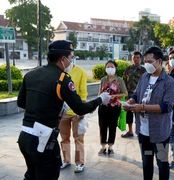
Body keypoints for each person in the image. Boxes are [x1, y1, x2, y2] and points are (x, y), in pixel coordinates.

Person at [17, 40, 111, 180]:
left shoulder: (31, 74)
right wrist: (100, 99)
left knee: (31, 175)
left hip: (25, 137)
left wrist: (48, 105)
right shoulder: (62, 79)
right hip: (43, 140)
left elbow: (21, 102)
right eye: (71, 57)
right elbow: (80, 108)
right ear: (63, 59)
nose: (71, 61)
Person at [123, 46, 174, 180]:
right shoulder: (144, 77)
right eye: (145, 61)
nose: (146, 64)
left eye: (149, 61)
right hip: (143, 132)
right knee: (146, 163)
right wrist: (130, 101)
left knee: (162, 163)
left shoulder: (169, 81)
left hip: (160, 132)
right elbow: (136, 93)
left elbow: (167, 106)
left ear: (159, 61)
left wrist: (142, 107)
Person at [59, 63, 88, 173]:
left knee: (78, 139)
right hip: (63, 112)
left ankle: (80, 162)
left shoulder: (81, 72)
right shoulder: (60, 71)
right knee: (64, 138)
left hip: (76, 112)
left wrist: (82, 109)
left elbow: (83, 91)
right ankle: (66, 160)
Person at [98, 60, 128, 155]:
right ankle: (103, 147)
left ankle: (110, 146)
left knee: (112, 126)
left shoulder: (119, 80)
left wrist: (116, 96)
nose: (110, 68)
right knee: (102, 126)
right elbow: (99, 93)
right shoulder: (103, 79)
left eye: (112, 67)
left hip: (115, 107)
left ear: (115, 68)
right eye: (108, 67)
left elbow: (125, 93)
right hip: (103, 106)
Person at [121, 51, 146, 138]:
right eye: (134, 57)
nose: (136, 59)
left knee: (139, 114)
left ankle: (140, 131)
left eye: (137, 57)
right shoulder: (128, 69)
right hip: (129, 95)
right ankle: (130, 131)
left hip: (139, 95)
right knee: (129, 114)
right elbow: (123, 81)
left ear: (141, 59)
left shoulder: (143, 70)